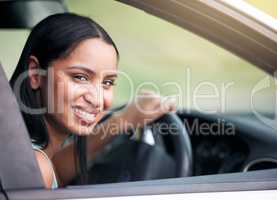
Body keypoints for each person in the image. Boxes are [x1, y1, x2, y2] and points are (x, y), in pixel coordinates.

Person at [10, 13, 176, 189]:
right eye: (80, 77)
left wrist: (123, 120)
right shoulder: (36, 167)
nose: (96, 100)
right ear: (35, 74)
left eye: (107, 82)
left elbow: (57, 169)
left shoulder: (28, 154)